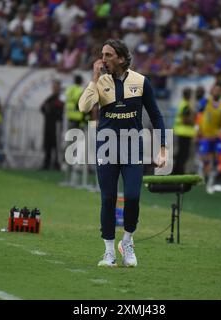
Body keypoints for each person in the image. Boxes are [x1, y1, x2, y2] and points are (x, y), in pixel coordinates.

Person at [78, 39, 166, 267]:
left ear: (120, 58)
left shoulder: (141, 81)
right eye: (102, 54)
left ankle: (127, 242)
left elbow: (156, 116)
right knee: (107, 199)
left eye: (108, 55)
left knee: (133, 197)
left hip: (132, 147)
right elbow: (84, 107)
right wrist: (94, 78)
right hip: (106, 147)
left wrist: (163, 147)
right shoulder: (100, 81)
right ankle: (108, 252)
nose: (102, 59)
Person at [196, 81, 221, 194]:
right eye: (214, 90)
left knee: (216, 159)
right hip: (205, 135)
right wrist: (197, 128)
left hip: (217, 136)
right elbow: (198, 114)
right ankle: (202, 175)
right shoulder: (205, 101)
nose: (216, 92)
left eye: (218, 90)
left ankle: (211, 183)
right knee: (205, 158)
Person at [40, 79, 64, 170]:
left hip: (56, 125)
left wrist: (49, 109)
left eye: (56, 87)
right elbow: (42, 107)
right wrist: (48, 109)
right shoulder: (50, 98)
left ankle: (57, 164)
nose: (54, 89)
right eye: (53, 87)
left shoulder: (61, 97)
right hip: (48, 124)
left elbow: (58, 108)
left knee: (56, 145)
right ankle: (46, 164)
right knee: (47, 145)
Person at [173, 87, 195, 174]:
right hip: (184, 132)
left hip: (181, 131)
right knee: (183, 154)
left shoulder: (182, 103)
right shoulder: (186, 105)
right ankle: (179, 171)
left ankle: (177, 170)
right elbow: (185, 119)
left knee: (181, 153)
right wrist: (194, 120)